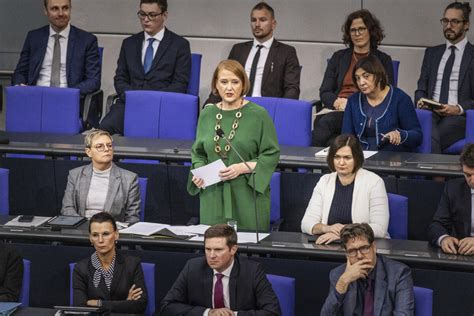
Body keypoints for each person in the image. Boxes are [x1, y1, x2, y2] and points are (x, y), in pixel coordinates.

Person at [188, 60, 280, 231]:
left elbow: (271, 155)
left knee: (246, 249)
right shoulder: (207, 114)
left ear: (243, 84)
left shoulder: (259, 115)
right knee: (215, 248)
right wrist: (199, 171)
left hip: (246, 194)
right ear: (216, 84)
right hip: (213, 193)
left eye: (235, 82)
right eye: (224, 82)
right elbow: (198, 153)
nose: (229, 88)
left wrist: (241, 168)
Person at [100, 0, 191, 135]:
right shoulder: (129, 43)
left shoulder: (180, 45)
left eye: (152, 15)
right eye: (142, 14)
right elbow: (120, 79)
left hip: (162, 107)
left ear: (164, 15)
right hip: (129, 104)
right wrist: (134, 99)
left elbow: (180, 84)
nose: (146, 20)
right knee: (103, 130)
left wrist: (152, 101)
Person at [11, 0, 101, 127]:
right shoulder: (34, 37)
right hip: (36, 100)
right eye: (54, 9)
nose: (61, 13)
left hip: (69, 102)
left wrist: (66, 94)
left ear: (70, 9)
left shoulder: (87, 40)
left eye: (65, 8)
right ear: (45, 11)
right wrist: (19, 85)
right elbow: (20, 72)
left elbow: (94, 80)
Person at [313, 9, 394, 147]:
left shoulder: (383, 60)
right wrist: (337, 102)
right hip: (338, 109)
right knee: (331, 139)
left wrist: (352, 105)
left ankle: (308, 164)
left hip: (367, 112)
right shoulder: (338, 57)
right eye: (353, 30)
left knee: (326, 123)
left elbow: (387, 93)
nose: (357, 34)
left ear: (371, 31)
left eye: (361, 29)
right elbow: (325, 91)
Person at [160, 224, 281, 315]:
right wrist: (208, 313)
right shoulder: (192, 267)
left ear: (233, 249)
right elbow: (167, 306)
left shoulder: (252, 271)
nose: (211, 255)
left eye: (218, 250)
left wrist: (233, 315)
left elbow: (272, 312)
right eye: (208, 249)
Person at [204, 2, 300, 105]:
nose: (257, 24)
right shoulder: (238, 50)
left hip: (267, 110)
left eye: (263, 20)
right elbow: (223, 80)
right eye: (253, 20)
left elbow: (292, 89)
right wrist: (210, 105)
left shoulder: (286, 52)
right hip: (236, 106)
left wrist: (281, 111)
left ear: (273, 24)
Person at [301, 134, 389, 244]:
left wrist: (343, 233)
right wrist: (327, 228)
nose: (341, 163)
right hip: (329, 245)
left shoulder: (374, 182)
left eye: (347, 158)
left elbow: (380, 228)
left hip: (362, 247)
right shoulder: (324, 181)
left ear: (357, 158)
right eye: (337, 157)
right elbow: (306, 223)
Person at [415, 2, 474, 153]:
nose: (449, 25)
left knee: (427, 135)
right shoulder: (432, 53)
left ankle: (432, 176)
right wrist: (421, 101)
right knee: (423, 124)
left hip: (458, 117)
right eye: (445, 21)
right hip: (431, 112)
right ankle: (437, 176)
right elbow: (420, 89)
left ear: (466, 25)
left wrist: (458, 109)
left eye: (455, 21)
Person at [321, 223, 414, 315]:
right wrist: (343, 282)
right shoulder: (339, 275)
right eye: (352, 251)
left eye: (364, 248)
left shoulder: (399, 273)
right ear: (346, 254)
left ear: (374, 247)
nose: (359, 256)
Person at [342, 55, 422, 152]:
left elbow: (417, 136)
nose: (361, 82)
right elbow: (346, 136)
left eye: (366, 76)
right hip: (361, 157)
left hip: (391, 158)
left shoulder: (400, 99)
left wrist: (400, 135)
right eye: (358, 78)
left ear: (379, 76)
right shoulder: (353, 100)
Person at [72, 212, 147, 313]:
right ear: (90, 238)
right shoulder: (80, 269)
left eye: (106, 234)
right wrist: (125, 303)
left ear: (116, 235)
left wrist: (99, 303)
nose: (100, 240)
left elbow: (140, 305)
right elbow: (80, 308)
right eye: (95, 235)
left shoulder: (132, 264)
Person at [61, 130, 141, 224]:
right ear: (89, 152)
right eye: (100, 146)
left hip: (112, 232)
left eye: (109, 145)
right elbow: (67, 209)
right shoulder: (75, 175)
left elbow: (133, 218)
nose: (107, 149)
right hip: (81, 229)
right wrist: (86, 226)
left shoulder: (129, 179)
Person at [428, 143, 474, 255]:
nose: (472, 181)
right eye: (468, 175)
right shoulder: (454, 188)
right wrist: (444, 238)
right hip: (463, 255)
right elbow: (437, 225)